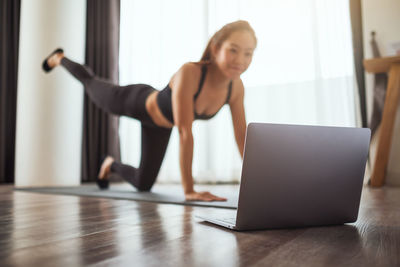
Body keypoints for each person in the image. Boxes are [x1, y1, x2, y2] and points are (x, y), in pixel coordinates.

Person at [42, 20, 257, 202]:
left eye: (248, 54)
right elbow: (184, 132)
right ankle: (60, 57)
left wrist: (256, 185)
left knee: (143, 184)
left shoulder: (235, 88)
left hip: (160, 128)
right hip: (136, 101)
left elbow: (241, 137)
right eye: (233, 50)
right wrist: (190, 190)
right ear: (216, 47)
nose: (241, 60)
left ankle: (109, 164)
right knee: (91, 85)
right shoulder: (190, 72)